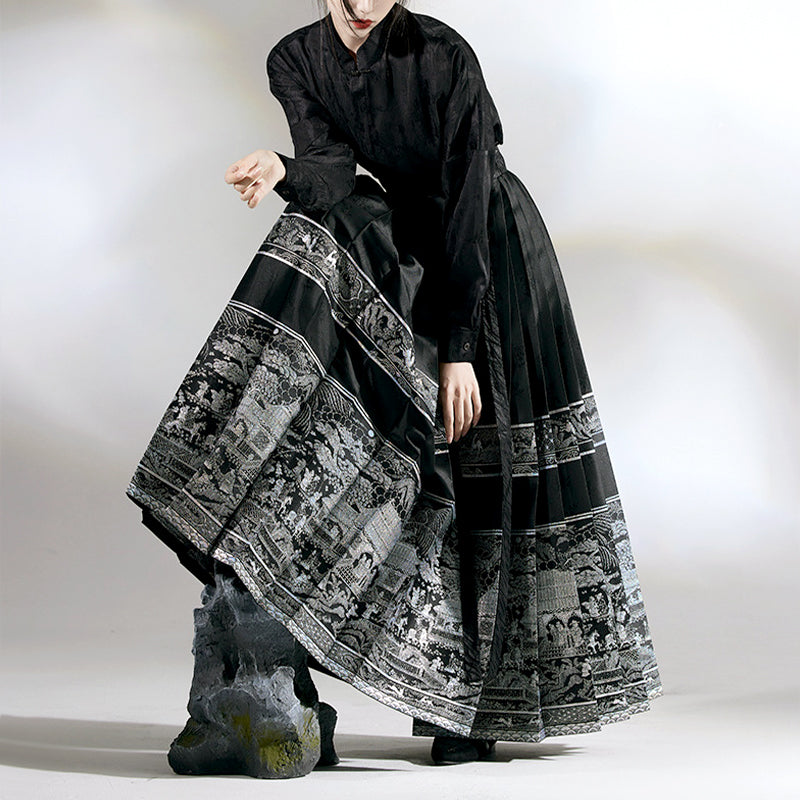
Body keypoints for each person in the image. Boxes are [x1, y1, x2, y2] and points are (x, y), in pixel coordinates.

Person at [127, 0, 662, 769]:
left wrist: (460, 348)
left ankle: (476, 712)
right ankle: (360, 672)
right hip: (407, 241)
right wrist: (283, 169)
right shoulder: (297, 60)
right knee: (424, 451)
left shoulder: (444, 56)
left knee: (484, 464)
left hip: (487, 249)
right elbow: (334, 174)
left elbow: (469, 191)